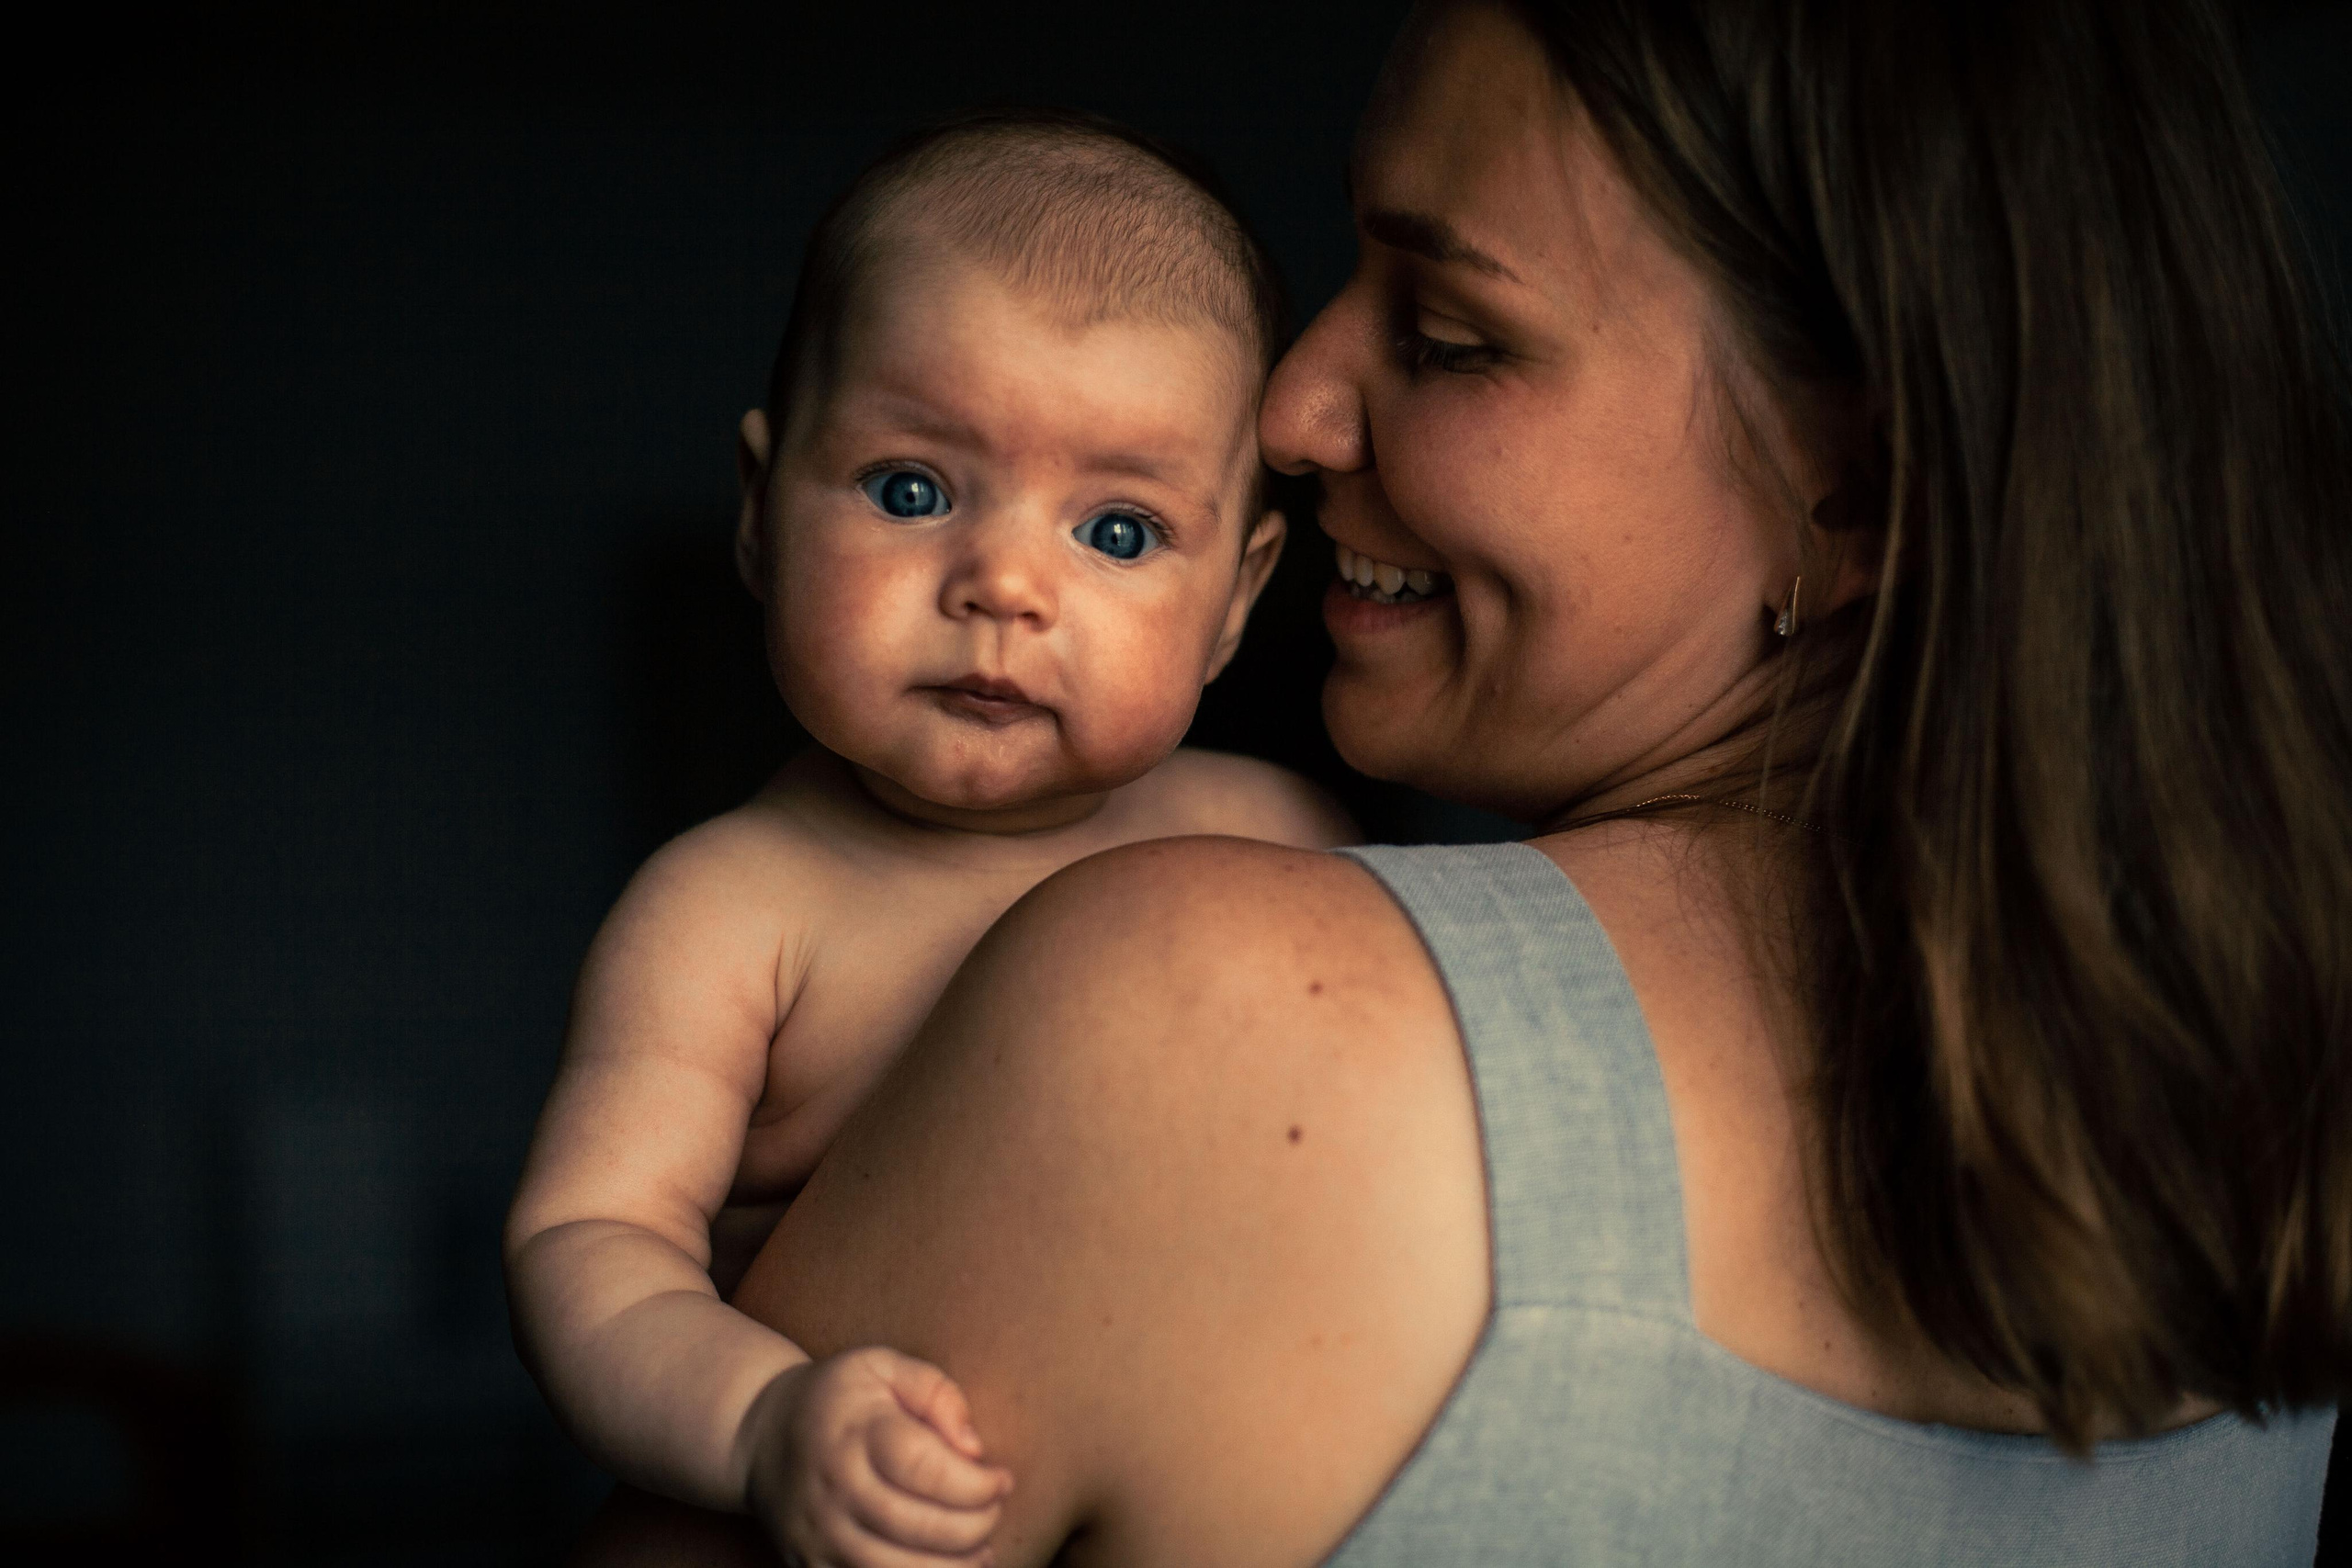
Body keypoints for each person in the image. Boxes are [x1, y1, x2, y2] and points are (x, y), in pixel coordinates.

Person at [588, 0, 2350, 1562]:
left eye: (1447, 333)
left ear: (1857, 484)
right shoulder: (2272, 1128)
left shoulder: (1200, 1008)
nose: (1292, 412)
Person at [504, 109, 1355, 1568]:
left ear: (1234, 600)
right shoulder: (732, 913)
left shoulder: (1276, 836)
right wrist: (762, 1421)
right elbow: (584, 1246)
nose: (1005, 584)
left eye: (1119, 531)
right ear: (762, 513)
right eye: (914, 490)